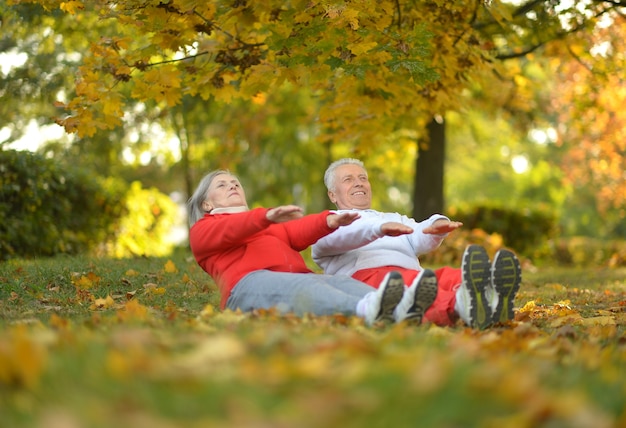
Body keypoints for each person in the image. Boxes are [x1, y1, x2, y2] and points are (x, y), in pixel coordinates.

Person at [188, 169, 421, 326]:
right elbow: (231, 229)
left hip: (297, 277)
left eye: (235, 183)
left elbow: (295, 230)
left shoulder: (263, 223)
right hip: (248, 286)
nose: (232, 186)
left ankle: (401, 307)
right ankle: (368, 309)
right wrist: (264, 216)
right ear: (207, 203)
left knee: (340, 283)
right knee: (303, 286)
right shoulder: (204, 229)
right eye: (222, 185)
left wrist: (327, 221)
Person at [311, 158, 522, 329]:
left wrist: (436, 225)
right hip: (369, 279)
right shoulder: (326, 222)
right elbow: (342, 237)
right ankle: (462, 305)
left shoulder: (391, 216)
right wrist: (378, 229)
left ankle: (491, 294)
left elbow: (417, 235)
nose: (359, 182)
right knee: (418, 290)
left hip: (414, 273)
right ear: (332, 194)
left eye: (363, 178)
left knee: (447, 276)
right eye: (348, 179)